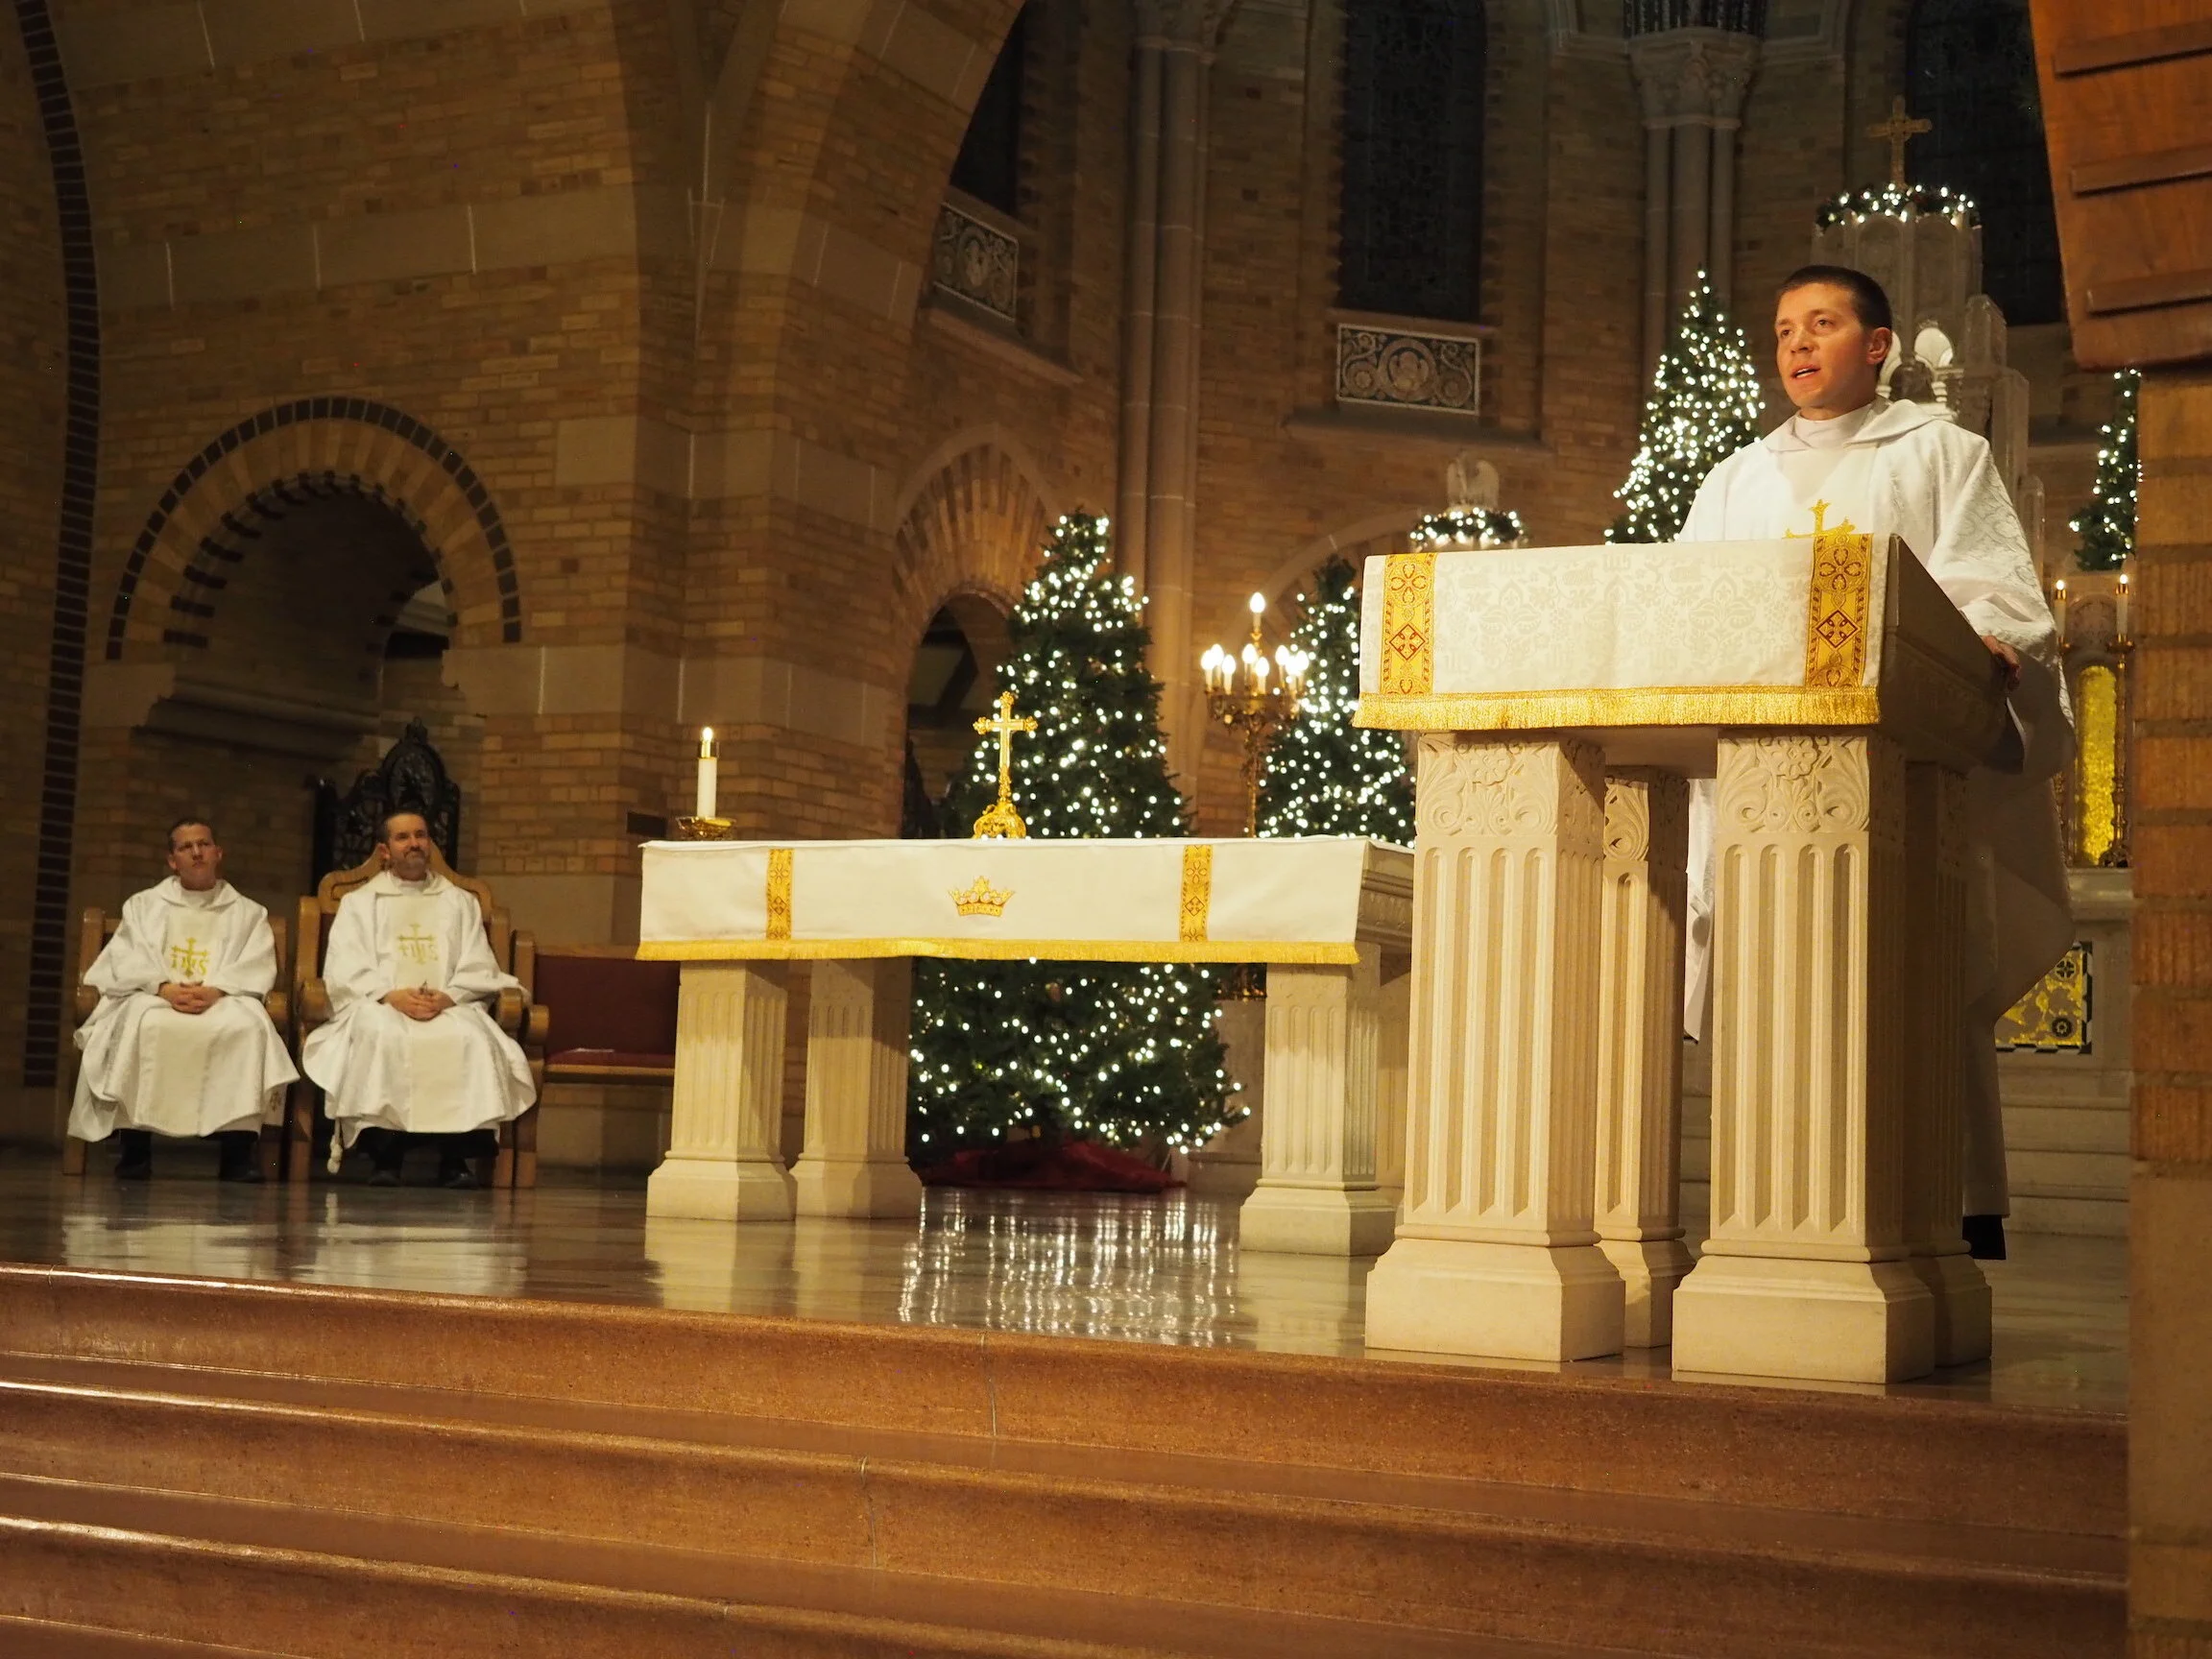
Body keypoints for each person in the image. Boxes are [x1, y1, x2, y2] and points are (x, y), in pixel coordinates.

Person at [1680, 264, 2073, 1262]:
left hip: (1901, 782)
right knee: (1774, 993)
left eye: (1821, 324)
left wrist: (1986, 642)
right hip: (1761, 785)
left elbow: (1997, 593)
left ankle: (1936, 1209)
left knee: (1908, 987)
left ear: (1879, 345)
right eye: (1784, 330)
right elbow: (1684, 609)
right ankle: (1771, 1207)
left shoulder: (1938, 453)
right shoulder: (1735, 480)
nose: (1798, 345)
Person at [301, 811, 535, 1189]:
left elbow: (478, 962)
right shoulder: (360, 903)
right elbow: (345, 965)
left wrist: (449, 997)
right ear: (384, 850)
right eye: (403, 837)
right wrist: (390, 995)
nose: (414, 844)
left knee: (470, 1037)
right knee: (381, 1034)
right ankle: (386, 1159)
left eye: (421, 835)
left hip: (447, 1004)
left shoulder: (459, 902)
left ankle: (455, 1160)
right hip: (382, 1004)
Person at [70, 818, 299, 1181]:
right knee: (142, 1023)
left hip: (221, 999)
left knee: (247, 1027)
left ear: (218, 853)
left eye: (203, 844)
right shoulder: (143, 906)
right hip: (155, 996)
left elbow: (256, 964)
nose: (196, 852)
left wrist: (217, 989)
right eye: (185, 847)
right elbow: (126, 958)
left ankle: (238, 1154)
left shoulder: (247, 912)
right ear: (172, 860)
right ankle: (135, 1152)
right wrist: (163, 987)